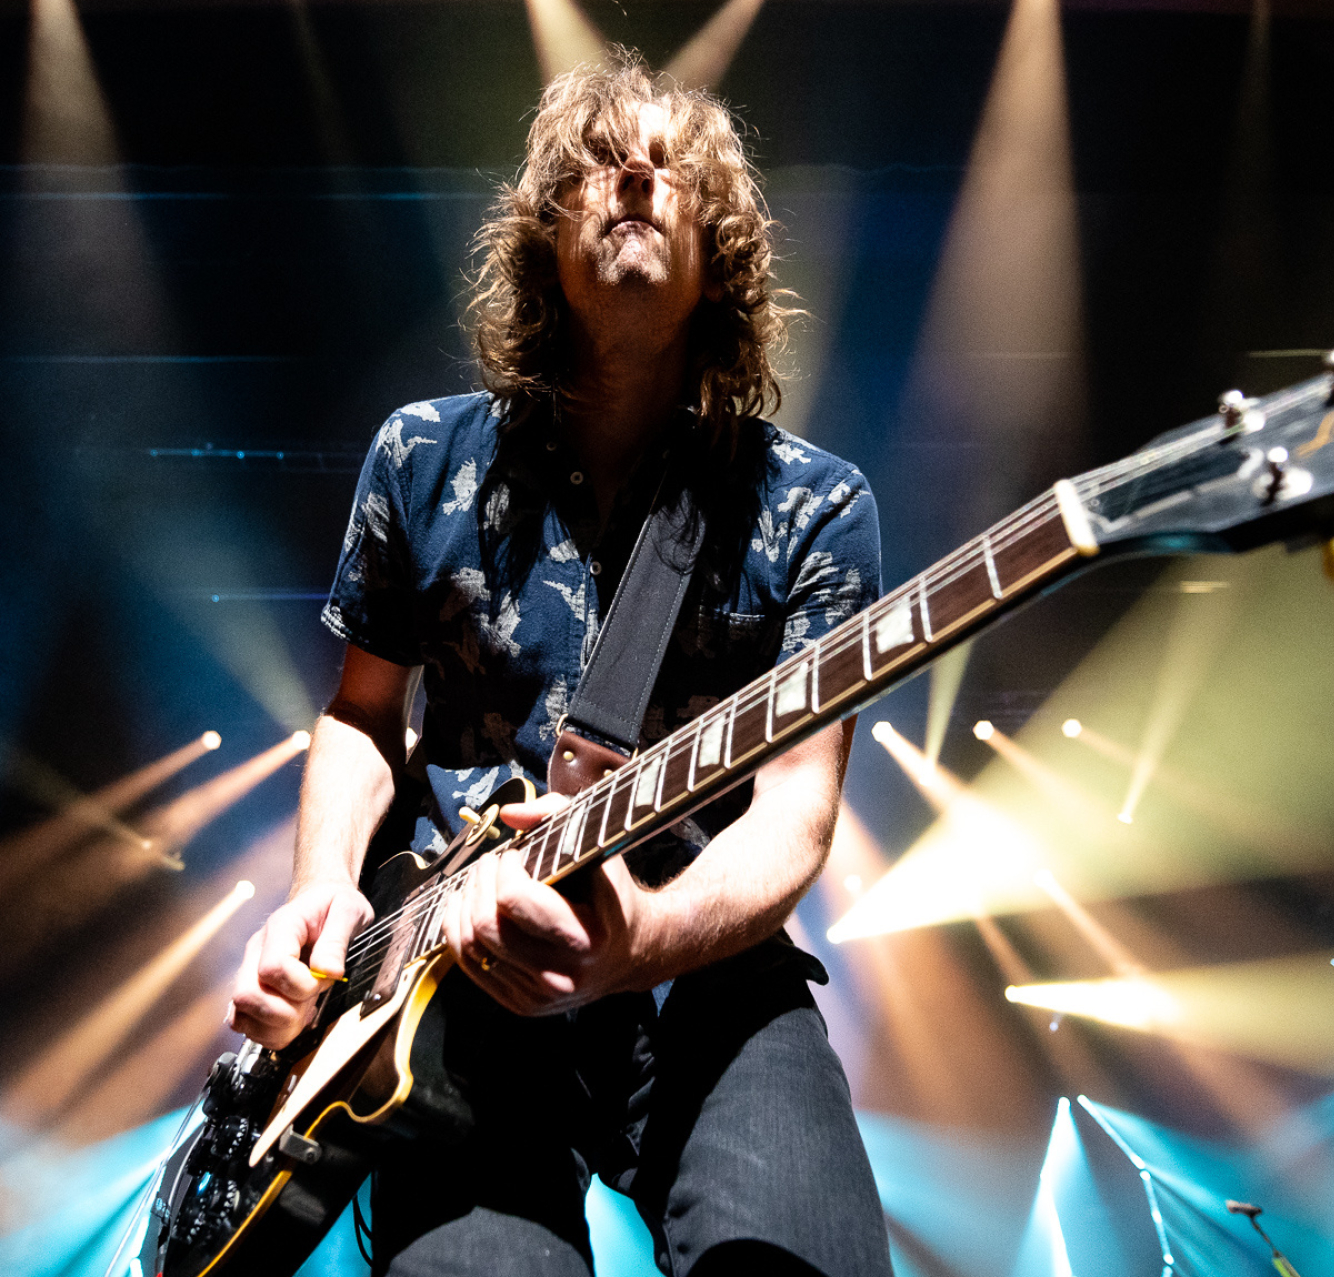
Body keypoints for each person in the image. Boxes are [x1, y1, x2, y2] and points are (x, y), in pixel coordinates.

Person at [229, 51, 892, 1277]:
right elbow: (362, 715)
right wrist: (321, 893)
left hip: (701, 966)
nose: (636, 172)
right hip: (448, 989)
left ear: (722, 254)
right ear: (544, 234)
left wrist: (637, 938)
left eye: (671, 166)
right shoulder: (422, 458)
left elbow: (797, 813)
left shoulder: (812, 506)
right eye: (599, 161)